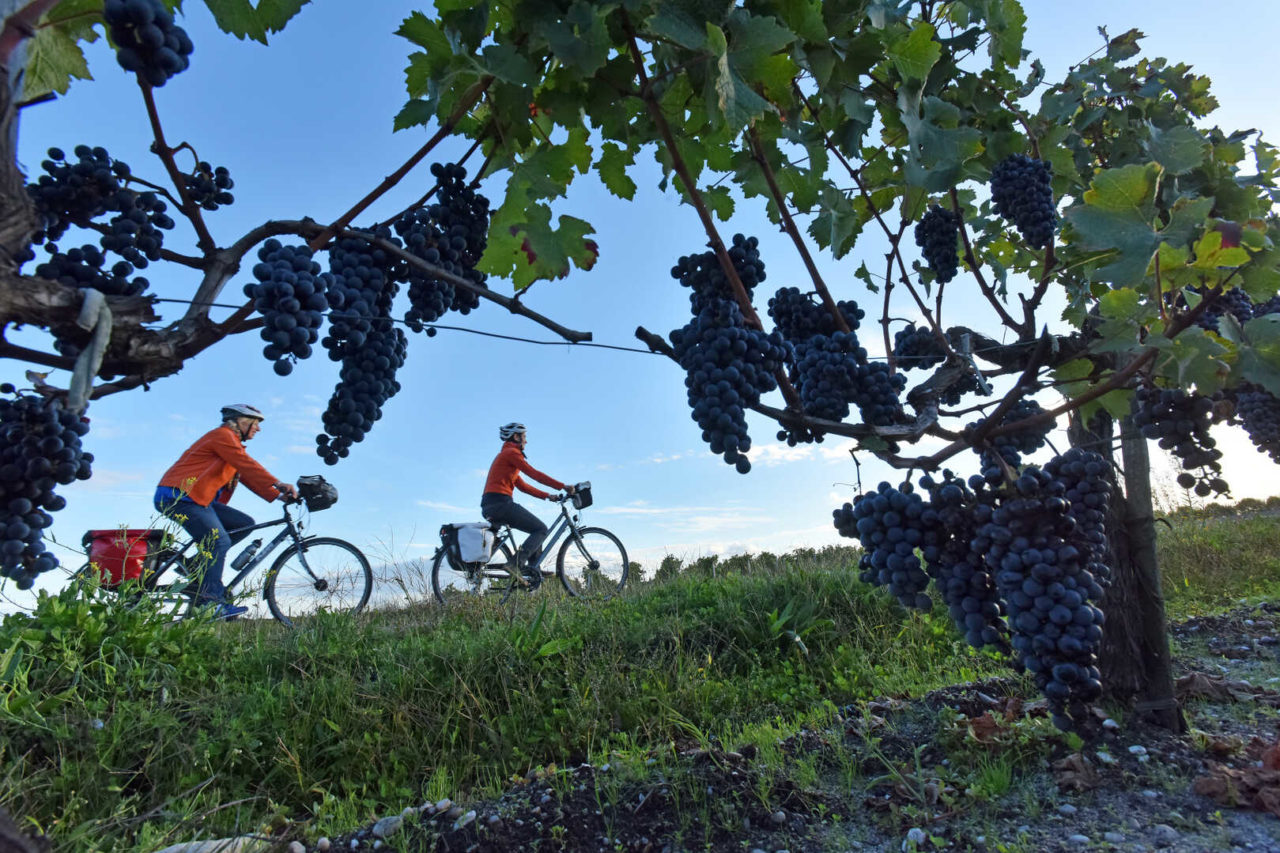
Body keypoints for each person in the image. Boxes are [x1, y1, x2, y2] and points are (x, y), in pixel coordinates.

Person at [154, 404, 299, 618]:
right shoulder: (222, 436)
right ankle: (210, 603)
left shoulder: (231, 446)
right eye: (256, 424)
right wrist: (278, 483)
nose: (258, 429)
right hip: (179, 496)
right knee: (218, 541)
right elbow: (247, 464)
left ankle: (197, 565)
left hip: (199, 500)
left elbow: (246, 474)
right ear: (241, 421)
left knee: (243, 523)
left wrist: (278, 495)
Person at [480, 422, 576, 586]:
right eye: (524, 437)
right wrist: (563, 486)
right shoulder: (511, 453)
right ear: (516, 437)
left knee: (535, 529)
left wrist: (548, 496)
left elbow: (523, 486)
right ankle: (515, 564)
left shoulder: (506, 457)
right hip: (501, 503)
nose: (526, 441)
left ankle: (533, 569)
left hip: (492, 504)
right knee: (540, 529)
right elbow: (534, 474)